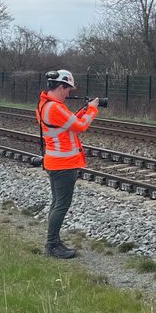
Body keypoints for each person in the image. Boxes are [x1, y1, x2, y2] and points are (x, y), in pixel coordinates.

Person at [36, 69, 100, 258]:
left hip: (56, 162)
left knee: (57, 203)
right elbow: (80, 126)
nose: (69, 93)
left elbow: (69, 123)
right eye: (68, 89)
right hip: (63, 164)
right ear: (61, 86)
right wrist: (93, 110)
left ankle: (54, 242)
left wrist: (83, 110)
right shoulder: (55, 108)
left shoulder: (46, 105)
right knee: (61, 205)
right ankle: (52, 245)